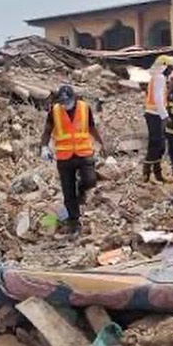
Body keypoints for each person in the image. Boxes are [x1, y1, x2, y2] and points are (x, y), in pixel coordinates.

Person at [40, 85, 104, 235]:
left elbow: (91, 127)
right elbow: (47, 130)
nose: (65, 105)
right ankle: (74, 223)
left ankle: (81, 192)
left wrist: (101, 142)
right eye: (62, 102)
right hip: (64, 157)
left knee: (90, 180)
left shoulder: (84, 108)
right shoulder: (54, 111)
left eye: (67, 101)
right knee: (68, 192)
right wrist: (44, 147)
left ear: (74, 98)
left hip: (83, 153)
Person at [143, 54, 173, 183]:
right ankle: (148, 174)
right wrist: (165, 116)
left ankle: (156, 174)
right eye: (170, 67)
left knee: (157, 145)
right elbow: (158, 98)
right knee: (156, 145)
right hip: (155, 115)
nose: (171, 70)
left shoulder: (156, 77)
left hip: (153, 114)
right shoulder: (160, 78)